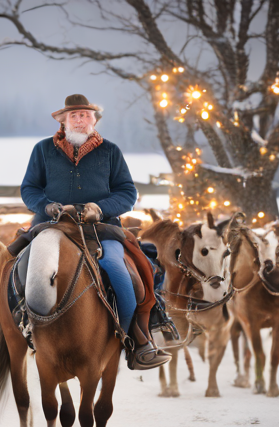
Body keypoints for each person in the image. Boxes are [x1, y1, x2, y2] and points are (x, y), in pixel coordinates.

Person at [20, 94, 171, 370]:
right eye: (74, 115)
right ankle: (18, 325)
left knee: (119, 269)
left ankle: (133, 338)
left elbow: (127, 192)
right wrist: (48, 206)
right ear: (63, 122)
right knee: (20, 264)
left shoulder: (110, 151)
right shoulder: (42, 150)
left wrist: (99, 208)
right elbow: (29, 189)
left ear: (94, 120)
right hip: (53, 225)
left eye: (86, 115)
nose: (80, 120)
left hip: (100, 228)